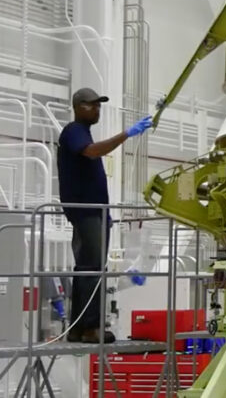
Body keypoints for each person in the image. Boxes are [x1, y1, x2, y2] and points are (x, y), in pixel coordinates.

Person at [57, 88, 152, 343]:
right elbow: (92, 152)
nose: (96, 109)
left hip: (93, 212)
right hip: (86, 211)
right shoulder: (74, 131)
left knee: (87, 267)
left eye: (99, 106)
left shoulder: (82, 133)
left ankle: (78, 328)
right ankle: (90, 328)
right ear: (78, 107)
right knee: (93, 268)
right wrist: (126, 134)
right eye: (91, 105)